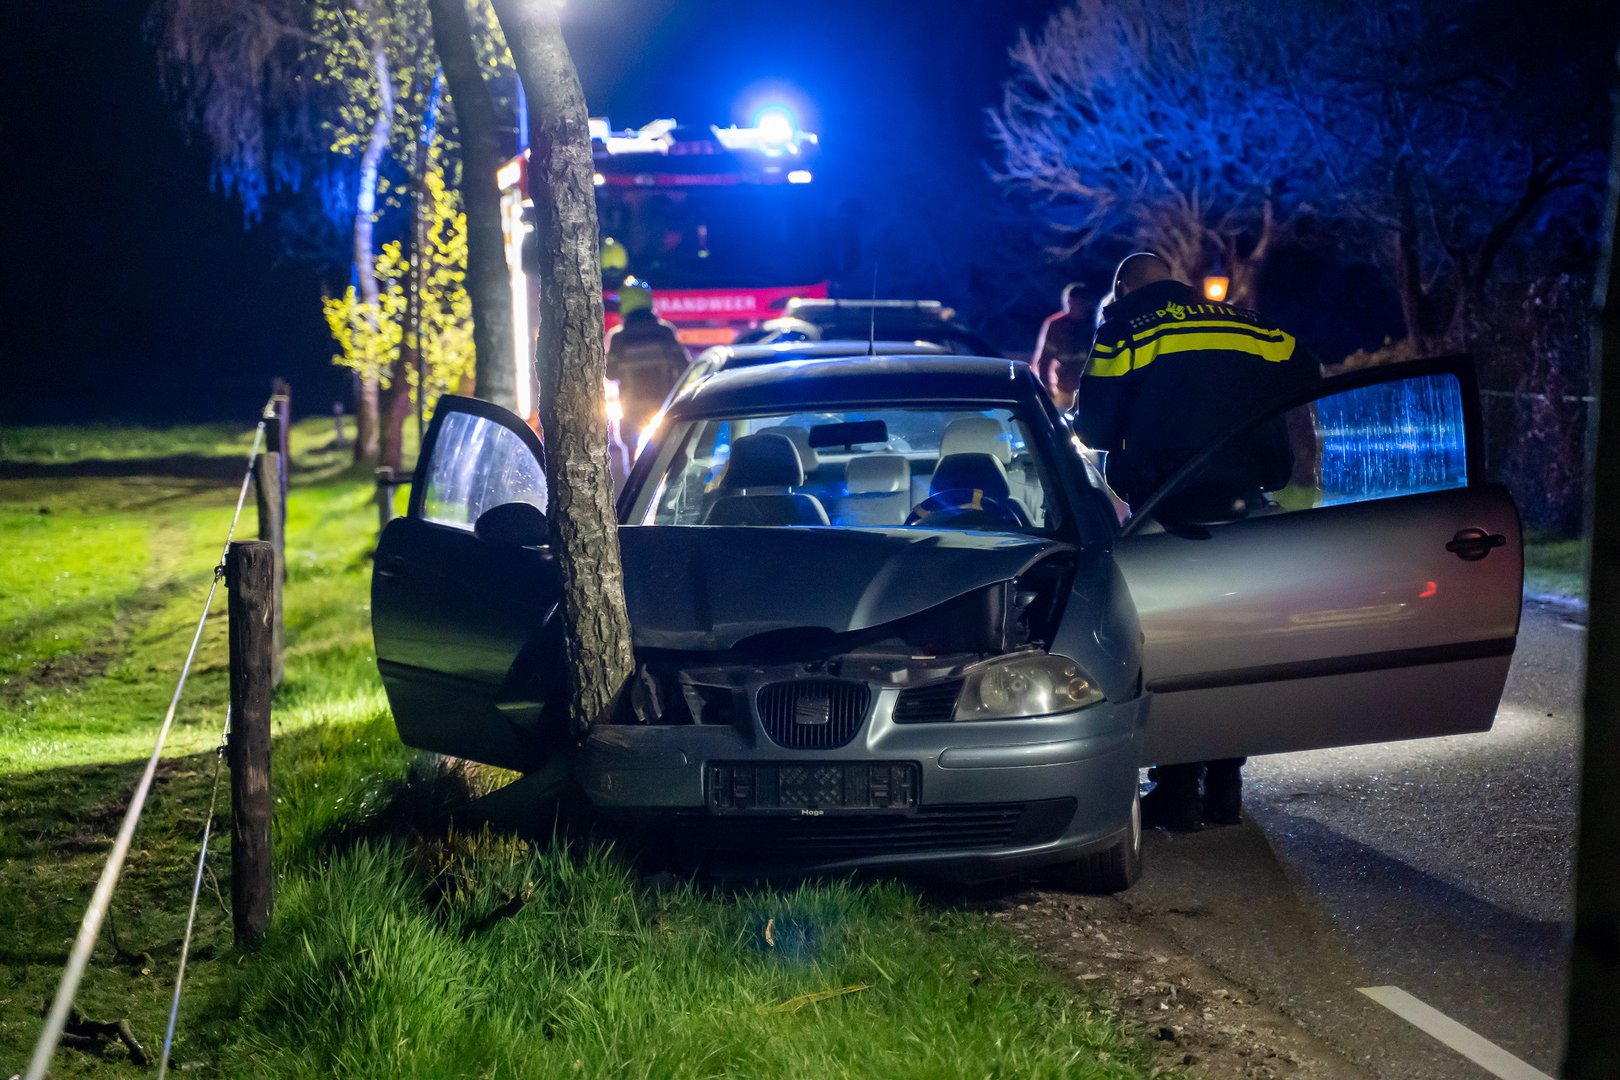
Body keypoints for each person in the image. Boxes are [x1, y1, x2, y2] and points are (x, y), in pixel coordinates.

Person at [1073, 251, 1320, 831]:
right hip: (1245, 509)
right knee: (1237, 645)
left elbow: (1093, 427)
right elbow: (1307, 378)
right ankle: (1227, 783)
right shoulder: (1249, 323)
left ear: (1124, 288)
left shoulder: (1125, 330)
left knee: (1171, 649)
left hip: (1166, 509)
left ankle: (1179, 789)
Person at [605, 277, 688, 452]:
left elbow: (609, 374)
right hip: (663, 408)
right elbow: (684, 368)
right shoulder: (665, 332)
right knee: (669, 454)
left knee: (634, 463)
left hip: (632, 410)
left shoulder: (618, 338)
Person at [1031, 282, 1092, 411]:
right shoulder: (1056, 325)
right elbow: (1044, 360)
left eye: (1081, 303)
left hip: (1088, 389)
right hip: (1063, 389)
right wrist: (1046, 388)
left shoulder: (1092, 325)